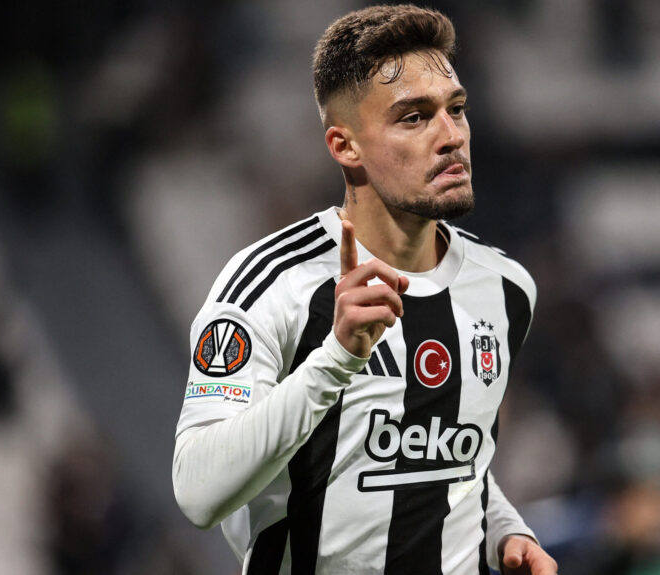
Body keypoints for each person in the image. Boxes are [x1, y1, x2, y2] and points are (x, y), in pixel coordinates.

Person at [172, 5, 558, 575]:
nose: (451, 136)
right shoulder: (273, 284)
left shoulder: (504, 289)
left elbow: (453, 453)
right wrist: (335, 359)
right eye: (414, 117)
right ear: (345, 146)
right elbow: (198, 491)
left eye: (457, 109)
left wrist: (503, 529)